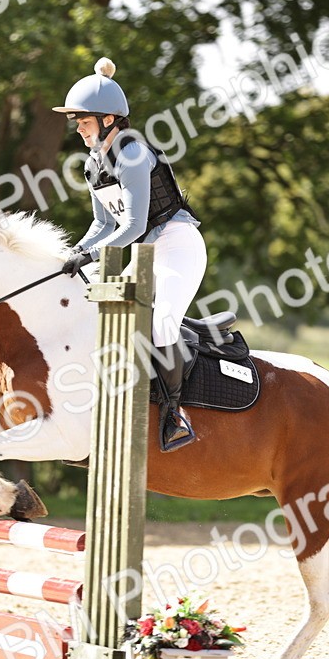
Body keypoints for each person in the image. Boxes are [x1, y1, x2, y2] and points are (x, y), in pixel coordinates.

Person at [53, 57, 206, 452]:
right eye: (77, 122)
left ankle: (175, 416)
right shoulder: (94, 164)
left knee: (161, 327)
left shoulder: (133, 154)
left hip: (176, 244)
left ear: (108, 119)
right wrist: (75, 254)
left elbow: (135, 226)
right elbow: (103, 226)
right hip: (143, 252)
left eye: (83, 120)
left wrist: (90, 257)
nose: (78, 128)